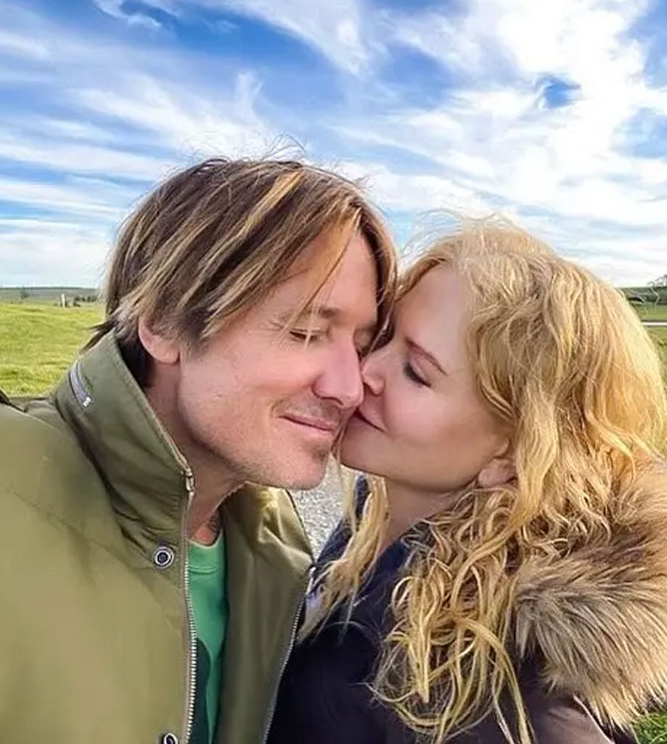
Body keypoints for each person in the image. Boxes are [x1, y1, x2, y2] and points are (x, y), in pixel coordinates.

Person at [0, 157, 397, 744]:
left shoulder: (275, 549)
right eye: (306, 332)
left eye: (362, 346)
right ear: (163, 321)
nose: (348, 386)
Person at [270, 218, 667, 744]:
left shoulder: (491, 692)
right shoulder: (373, 530)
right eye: (383, 339)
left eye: (417, 372)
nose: (366, 372)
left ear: (515, 453)